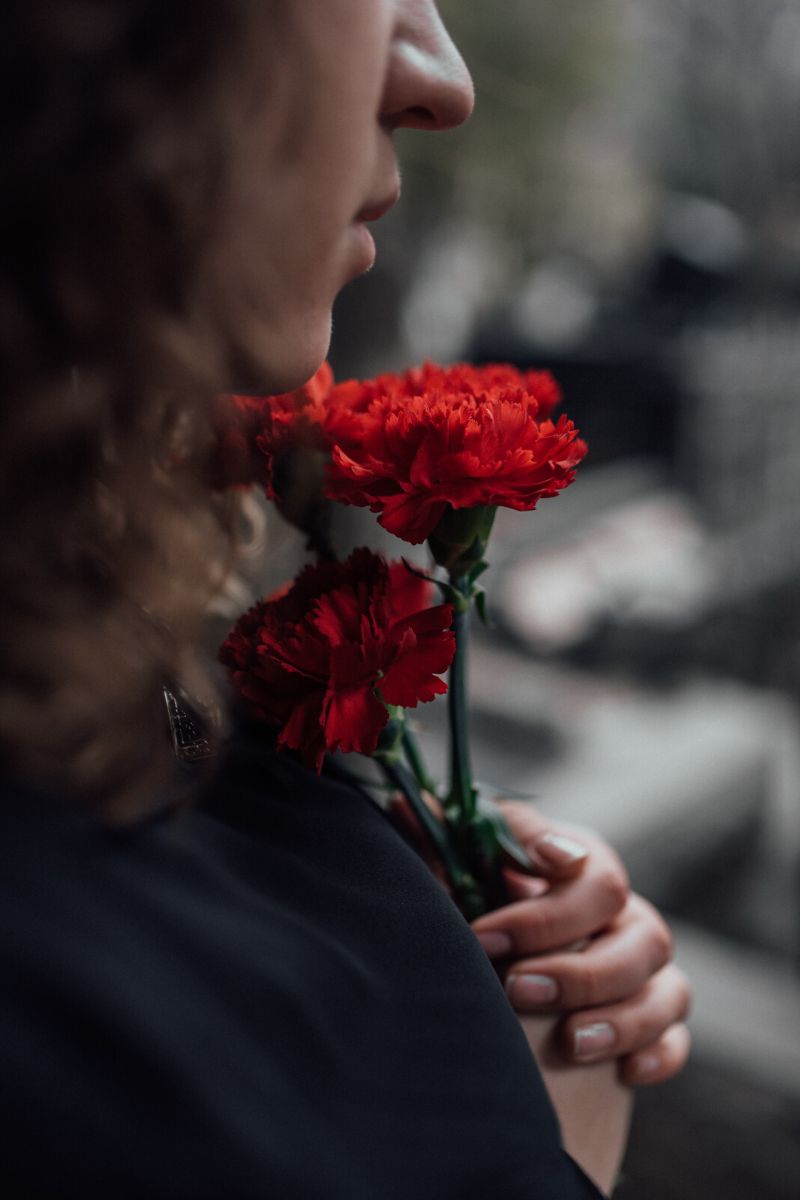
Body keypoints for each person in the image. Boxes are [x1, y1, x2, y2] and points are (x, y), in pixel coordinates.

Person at [0, 2, 690, 1196]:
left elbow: (179, 765)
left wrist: (432, 876)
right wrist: (554, 1134)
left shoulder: (91, 621)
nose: (441, 77)